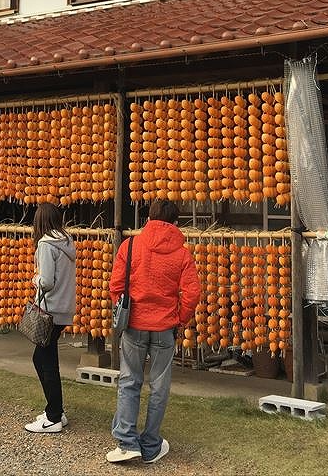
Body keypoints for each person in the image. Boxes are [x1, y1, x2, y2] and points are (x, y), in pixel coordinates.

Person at [106, 199, 200, 465]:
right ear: (175, 223)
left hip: (134, 325)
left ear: (148, 218)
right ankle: (149, 445)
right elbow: (192, 293)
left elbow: (116, 286)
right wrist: (180, 318)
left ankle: (126, 442)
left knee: (129, 381)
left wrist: (122, 309)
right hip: (164, 328)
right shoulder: (182, 253)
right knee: (159, 387)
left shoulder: (131, 245)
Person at [23, 202, 75, 434]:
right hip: (63, 309)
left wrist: (35, 280)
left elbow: (47, 281)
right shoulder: (67, 241)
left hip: (49, 310)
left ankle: (54, 415)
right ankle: (56, 411)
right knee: (43, 358)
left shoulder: (46, 244)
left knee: (46, 361)